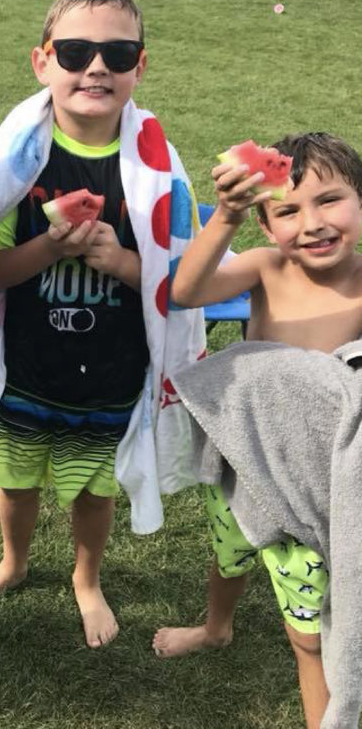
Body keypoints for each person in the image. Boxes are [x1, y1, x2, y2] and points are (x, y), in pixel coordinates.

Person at [0, 0, 205, 648]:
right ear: (42, 61)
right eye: (74, 52)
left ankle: (85, 577)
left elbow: (176, 276)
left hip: (111, 370)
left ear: (139, 68)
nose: (96, 67)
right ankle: (13, 560)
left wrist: (121, 263)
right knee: (16, 478)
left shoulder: (158, 169)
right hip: (29, 364)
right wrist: (45, 247)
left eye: (118, 55)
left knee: (94, 491)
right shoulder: (19, 160)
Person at [154, 132, 362, 729]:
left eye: (330, 201)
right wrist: (225, 216)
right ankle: (217, 627)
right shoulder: (266, 268)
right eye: (289, 211)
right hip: (250, 466)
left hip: (323, 489)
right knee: (231, 551)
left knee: (310, 640)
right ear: (266, 228)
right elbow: (187, 290)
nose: (313, 224)